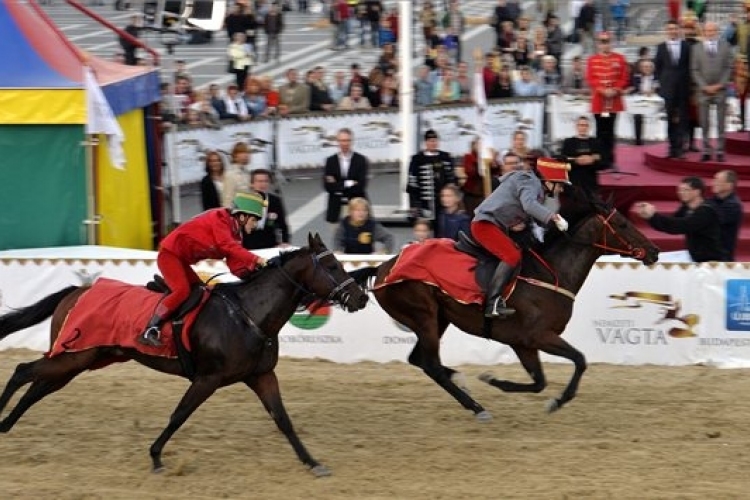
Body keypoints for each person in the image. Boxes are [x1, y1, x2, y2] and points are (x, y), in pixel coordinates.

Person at [138, 192, 268, 347]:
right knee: (182, 291)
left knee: (202, 291)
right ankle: (151, 329)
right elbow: (226, 245)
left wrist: (256, 274)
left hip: (182, 261)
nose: (255, 225)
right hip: (169, 255)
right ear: (242, 217)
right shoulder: (220, 218)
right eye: (254, 220)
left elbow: (236, 267)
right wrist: (256, 259)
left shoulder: (236, 235)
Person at [471, 158, 571, 317]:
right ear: (548, 181)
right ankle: (492, 304)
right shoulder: (530, 181)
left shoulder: (536, 189)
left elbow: (531, 212)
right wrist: (554, 218)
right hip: (484, 225)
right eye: (560, 185)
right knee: (511, 255)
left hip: (493, 225)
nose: (561, 190)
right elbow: (529, 205)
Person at [635, 176, 726, 262]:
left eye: (685, 190)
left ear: (697, 192)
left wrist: (654, 216)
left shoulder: (706, 211)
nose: (681, 192)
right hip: (695, 256)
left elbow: (682, 225)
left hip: (711, 260)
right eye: (679, 190)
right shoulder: (686, 207)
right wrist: (650, 218)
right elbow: (671, 224)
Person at [585, 31, 630, 169]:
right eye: (602, 42)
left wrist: (615, 89)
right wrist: (602, 90)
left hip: (614, 101)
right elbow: (590, 78)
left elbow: (624, 78)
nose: (605, 45)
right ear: (598, 44)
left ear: (612, 43)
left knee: (610, 131)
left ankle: (610, 160)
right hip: (599, 101)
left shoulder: (620, 58)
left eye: (607, 41)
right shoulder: (592, 60)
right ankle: (600, 160)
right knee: (599, 131)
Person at [691, 21, 732, 162]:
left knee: (721, 122)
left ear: (717, 32)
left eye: (713, 31)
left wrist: (720, 84)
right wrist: (704, 86)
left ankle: (720, 150)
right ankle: (706, 150)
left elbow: (728, 67)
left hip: (720, 90)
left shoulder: (726, 47)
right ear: (704, 32)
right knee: (704, 122)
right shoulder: (696, 48)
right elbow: (694, 70)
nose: (710, 33)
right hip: (703, 91)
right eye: (708, 31)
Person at [654, 18, 691, 158]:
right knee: (669, 119)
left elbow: (689, 66)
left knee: (682, 119)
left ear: (679, 30)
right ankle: (671, 147)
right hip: (668, 89)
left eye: (675, 28)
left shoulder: (686, 46)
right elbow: (657, 68)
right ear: (666, 31)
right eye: (670, 29)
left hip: (683, 88)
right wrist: (661, 85)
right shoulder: (661, 47)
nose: (673, 31)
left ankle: (681, 148)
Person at [407, 129, 456, 222]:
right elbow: (412, 184)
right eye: (430, 141)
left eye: (435, 140)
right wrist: (414, 206)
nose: (433, 143)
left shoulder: (445, 157)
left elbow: (452, 180)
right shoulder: (417, 159)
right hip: (425, 203)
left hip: (444, 202)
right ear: (426, 142)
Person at [323, 128, 370, 224]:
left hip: (357, 208)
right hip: (335, 208)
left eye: (348, 140)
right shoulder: (330, 161)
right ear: (337, 142)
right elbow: (328, 186)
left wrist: (338, 184)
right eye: (342, 141)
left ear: (352, 141)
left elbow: (361, 185)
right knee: (337, 238)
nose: (345, 144)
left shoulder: (361, 160)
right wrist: (349, 183)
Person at [242, 169, 291, 250]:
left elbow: (283, 224)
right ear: (252, 184)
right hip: (249, 246)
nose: (263, 184)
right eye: (259, 181)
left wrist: (285, 241)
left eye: (266, 181)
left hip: (270, 245)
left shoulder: (275, 200)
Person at [560, 115, 604, 193]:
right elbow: (563, 161)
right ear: (576, 126)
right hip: (573, 184)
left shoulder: (595, 142)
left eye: (585, 125)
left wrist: (592, 160)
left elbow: (602, 162)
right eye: (581, 125)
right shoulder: (569, 142)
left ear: (589, 127)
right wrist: (576, 161)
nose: (583, 128)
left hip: (591, 184)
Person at [709, 170, 743, 261]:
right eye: (714, 180)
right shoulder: (713, 200)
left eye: (717, 180)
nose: (713, 183)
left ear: (729, 185)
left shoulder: (733, 205)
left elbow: (710, 222)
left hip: (722, 258)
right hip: (709, 254)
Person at [221, 142, 252, 207]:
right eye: (242, 152)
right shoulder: (230, 174)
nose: (246, 155)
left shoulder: (248, 173)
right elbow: (227, 201)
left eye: (248, 152)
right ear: (235, 156)